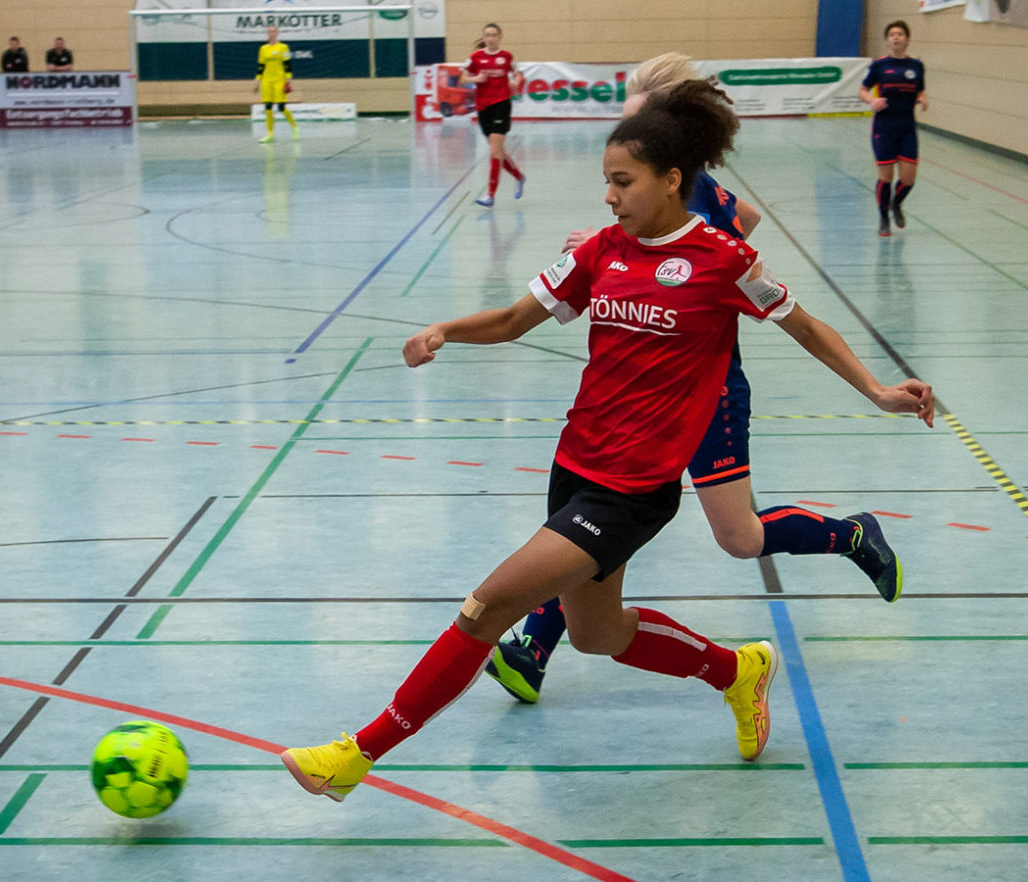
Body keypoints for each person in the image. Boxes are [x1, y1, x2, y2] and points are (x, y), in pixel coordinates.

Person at [279, 80, 935, 803]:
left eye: (622, 182)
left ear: (671, 180)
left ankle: (356, 754)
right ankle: (736, 671)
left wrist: (876, 389)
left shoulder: (724, 261)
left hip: (634, 490)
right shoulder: (599, 252)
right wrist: (445, 330)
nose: (610, 196)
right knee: (595, 635)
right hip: (574, 465)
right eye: (607, 183)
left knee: (486, 607)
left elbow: (805, 325)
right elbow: (512, 319)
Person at [485, 52, 920, 705]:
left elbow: (763, 267)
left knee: (739, 537)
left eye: (637, 119)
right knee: (592, 522)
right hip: (640, 397)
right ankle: (532, 649)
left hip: (706, 394)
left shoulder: (698, 213)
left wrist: (879, 390)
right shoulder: (656, 203)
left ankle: (853, 533)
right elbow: (743, 214)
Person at [859, 20, 927, 238]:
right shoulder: (879, 65)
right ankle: (884, 218)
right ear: (888, 40)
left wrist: (923, 99)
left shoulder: (916, 66)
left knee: (908, 179)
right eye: (892, 34)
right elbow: (862, 90)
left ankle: (896, 204)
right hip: (884, 127)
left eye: (900, 34)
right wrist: (872, 101)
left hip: (907, 128)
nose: (896, 37)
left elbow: (920, 91)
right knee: (886, 176)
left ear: (907, 39)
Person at [461, 23, 523, 207]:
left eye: (494, 35)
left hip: (501, 105)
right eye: (487, 35)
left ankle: (490, 195)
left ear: (499, 36)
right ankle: (519, 177)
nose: (491, 38)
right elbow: (463, 78)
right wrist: (475, 79)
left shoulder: (507, 57)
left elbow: (518, 74)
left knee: (494, 152)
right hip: (483, 107)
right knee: (499, 152)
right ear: (484, 37)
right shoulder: (475, 57)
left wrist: (515, 82)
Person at [253, 25, 298, 144]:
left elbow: (287, 64)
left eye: (273, 31)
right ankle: (270, 134)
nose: (271, 33)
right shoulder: (263, 49)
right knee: (267, 106)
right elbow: (261, 66)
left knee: (281, 107)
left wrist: (289, 79)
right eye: (269, 32)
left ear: (277, 33)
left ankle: (295, 127)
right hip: (267, 80)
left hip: (280, 80)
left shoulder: (283, 47)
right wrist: (257, 80)